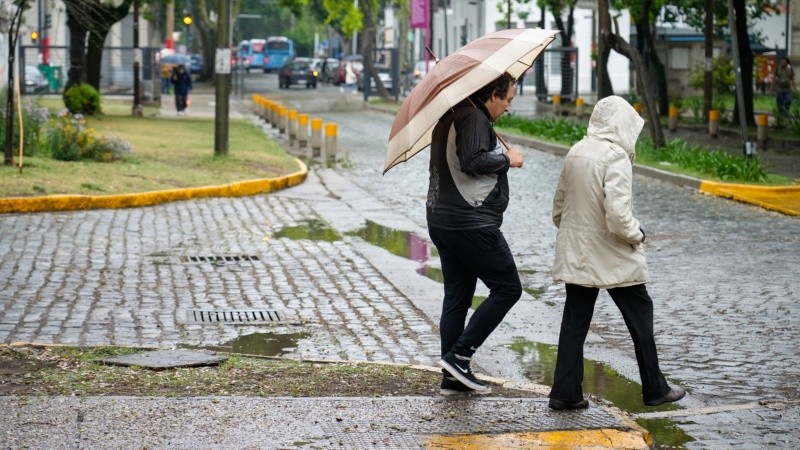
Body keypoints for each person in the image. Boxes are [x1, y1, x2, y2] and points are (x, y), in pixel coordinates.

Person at [547, 95, 685, 410]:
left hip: (578, 250)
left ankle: (565, 392)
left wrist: (577, 230)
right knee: (640, 316)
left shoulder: (576, 151)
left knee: (575, 320)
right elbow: (618, 215)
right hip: (612, 252)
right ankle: (655, 387)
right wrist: (637, 234)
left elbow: (559, 209)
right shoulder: (616, 157)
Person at [430, 73, 525, 395]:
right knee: (508, 288)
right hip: (470, 223)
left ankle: (452, 378)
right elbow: (473, 161)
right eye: (508, 99)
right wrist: (507, 159)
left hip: (445, 221)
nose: (508, 107)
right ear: (492, 95)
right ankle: (460, 357)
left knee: (457, 297)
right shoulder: (472, 117)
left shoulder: (453, 115)